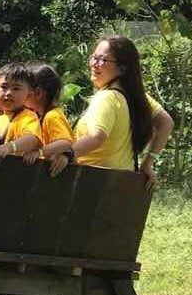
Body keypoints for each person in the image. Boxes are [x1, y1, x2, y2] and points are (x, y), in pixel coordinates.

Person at [68, 36, 174, 189]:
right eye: (94, 57)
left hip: (92, 185)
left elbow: (96, 136)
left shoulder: (107, 97)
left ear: (123, 68)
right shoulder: (134, 95)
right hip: (122, 185)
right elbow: (166, 122)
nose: (94, 64)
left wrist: (65, 155)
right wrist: (148, 162)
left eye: (102, 60)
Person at [23, 62, 74, 167]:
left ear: (38, 94)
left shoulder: (52, 116)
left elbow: (65, 143)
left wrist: (39, 152)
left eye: (23, 90)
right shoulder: (40, 115)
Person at [0, 63, 43, 158]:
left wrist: (10, 147)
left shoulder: (28, 117)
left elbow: (33, 139)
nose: (9, 93)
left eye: (16, 88)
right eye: (4, 87)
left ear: (28, 95)